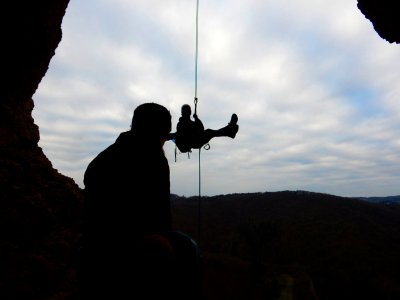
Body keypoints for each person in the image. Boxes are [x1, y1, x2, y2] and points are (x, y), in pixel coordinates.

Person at [80, 103, 202, 299]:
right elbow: (160, 218)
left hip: (94, 253)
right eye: (164, 137)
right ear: (159, 135)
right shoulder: (154, 161)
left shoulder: (101, 159)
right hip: (128, 254)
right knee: (186, 247)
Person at [171, 104, 239, 153]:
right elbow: (182, 135)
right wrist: (175, 140)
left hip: (196, 140)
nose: (187, 115)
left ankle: (229, 129)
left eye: (188, 114)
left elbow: (201, 129)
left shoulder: (190, 123)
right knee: (210, 132)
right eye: (186, 114)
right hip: (192, 142)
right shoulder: (181, 124)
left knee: (212, 132)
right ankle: (230, 132)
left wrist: (197, 119)